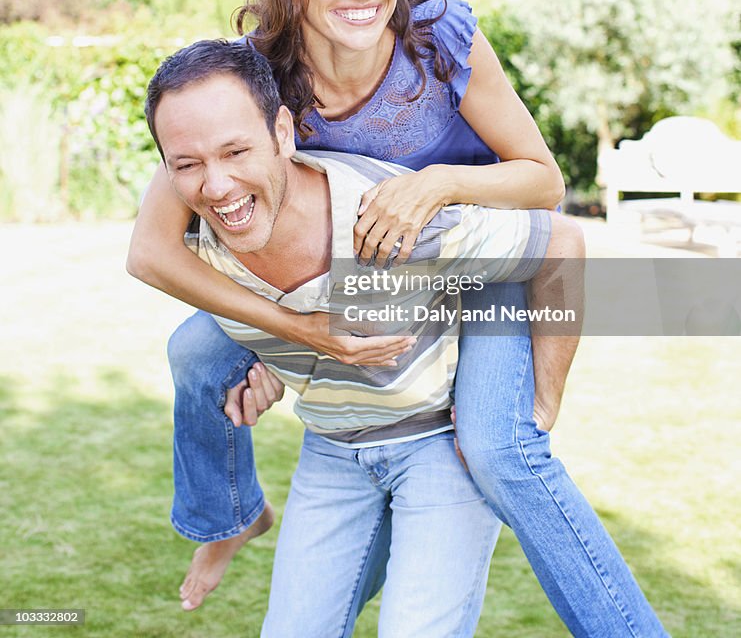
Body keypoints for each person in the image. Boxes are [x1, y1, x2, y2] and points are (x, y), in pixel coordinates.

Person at [128, 0, 669, 636]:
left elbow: (544, 181)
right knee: (195, 347)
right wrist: (290, 339)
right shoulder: (254, 76)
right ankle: (231, 514)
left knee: (494, 446)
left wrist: (437, 184)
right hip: (362, 270)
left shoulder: (435, 36)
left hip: (481, 254)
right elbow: (152, 249)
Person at [144, 38, 573, 637]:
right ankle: (233, 520)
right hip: (332, 450)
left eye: (236, 151)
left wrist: (544, 401)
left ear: (284, 134)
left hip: (437, 448)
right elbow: (152, 259)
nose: (216, 186)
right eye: (187, 165)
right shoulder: (200, 251)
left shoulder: (387, 220)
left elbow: (562, 244)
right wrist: (276, 351)